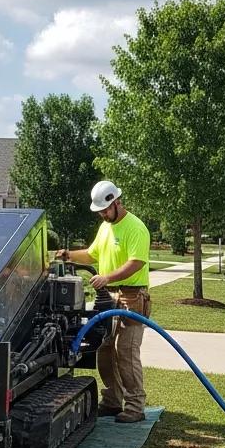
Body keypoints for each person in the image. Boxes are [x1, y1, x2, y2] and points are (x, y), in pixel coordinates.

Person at [54, 180, 151, 423]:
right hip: (109, 297)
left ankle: (135, 407)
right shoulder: (106, 228)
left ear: (117, 202)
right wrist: (69, 254)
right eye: (100, 212)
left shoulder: (135, 227)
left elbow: (136, 263)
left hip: (132, 296)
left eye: (105, 210)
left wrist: (107, 276)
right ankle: (112, 401)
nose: (103, 215)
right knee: (105, 349)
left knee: (126, 352)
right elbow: (92, 253)